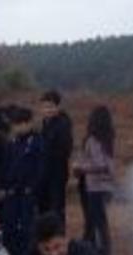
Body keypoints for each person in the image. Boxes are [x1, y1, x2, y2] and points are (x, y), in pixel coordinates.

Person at [0, 107, 45, 255]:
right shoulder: (12, 142)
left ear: (29, 124)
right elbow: (4, 166)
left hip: (27, 192)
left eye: (21, 124)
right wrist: (2, 187)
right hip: (11, 192)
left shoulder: (37, 142)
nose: (18, 127)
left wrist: (33, 188)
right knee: (8, 228)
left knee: (27, 229)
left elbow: (40, 168)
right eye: (15, 125)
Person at [73, 106, 116, 255]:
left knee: (95, 223)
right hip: (104, 187)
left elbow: (99, 164)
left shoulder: (93, 140)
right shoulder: (107, 139)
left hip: (94, 187)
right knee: (97, 223)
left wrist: (80, 168)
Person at [38, 91, 74, 226]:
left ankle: (58, 238)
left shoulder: (63, 125)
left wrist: (47, 152)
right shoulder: (45, 124)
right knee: (44, 209)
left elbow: (65, 150)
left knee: (56, 209)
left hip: (57, 174)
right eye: (44, 107)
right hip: (44, 174)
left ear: (57, 107)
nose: (47, 110)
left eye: (51, 107)